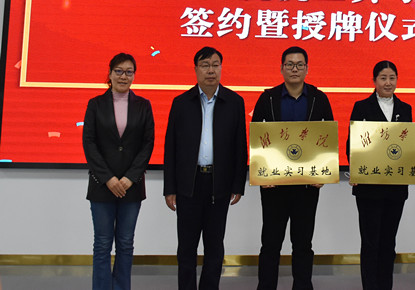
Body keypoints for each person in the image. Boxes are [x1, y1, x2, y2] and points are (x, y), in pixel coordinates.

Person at [163, 47, 248, 290]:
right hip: (188, 185)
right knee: (186, 248)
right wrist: (170, 188)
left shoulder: (234, 102)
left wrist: (237, 185)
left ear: (221, 67)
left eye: (215, 65)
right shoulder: (181, 103)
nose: (211, 70)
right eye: (205, 65)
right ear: (196, 69)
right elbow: (171, 148)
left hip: (218, 184)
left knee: (214, 247)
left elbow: (240, 147)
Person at [252, 46, 334, 290]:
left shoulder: (319, 98)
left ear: (307, 68)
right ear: (281, 68)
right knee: (270, 243)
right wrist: (261, 173)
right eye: (290, 64)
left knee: (303, 244)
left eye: (299, 65)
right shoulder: (268, 98)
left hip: (307, 185)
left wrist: (323, 173)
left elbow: (328, 138)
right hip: (274, 185)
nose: (294, 69)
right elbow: (257, 138)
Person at [82, 53, 155, 290]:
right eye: (119, 71)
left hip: (131, 187)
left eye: (129, 72)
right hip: (102, 186)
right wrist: (108, 178)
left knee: (125, 243)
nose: (124, 76)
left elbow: (147, 144)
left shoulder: (143, 105)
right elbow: (89, 143)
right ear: (110, 73)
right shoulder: (95, 104)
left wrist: (130, 178)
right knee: (102, 244)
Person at [346, 60, 413, 290]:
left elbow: (410, 146)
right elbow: (351, 145)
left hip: (396, 189)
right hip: (369, 188)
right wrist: (356, 167)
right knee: (370, 243)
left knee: (388, 243)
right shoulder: (361, 107)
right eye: (383, 78)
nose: (388, 82)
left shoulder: (405, 109)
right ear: (374, 80)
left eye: (392, 78)